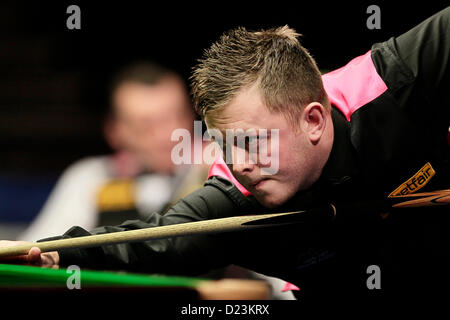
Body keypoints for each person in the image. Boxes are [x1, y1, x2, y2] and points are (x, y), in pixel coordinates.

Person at [2, 7, 449, 302]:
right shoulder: (234, 199)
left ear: (313, 120)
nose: (239, 163)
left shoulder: (397, 79)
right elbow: (151, 242)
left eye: (253, 142)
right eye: (223, 143)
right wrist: (53, 256)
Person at [19, 62, 209, 240]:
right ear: (114, 131)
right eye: (146, 125)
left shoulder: (222, 167)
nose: (167, 135)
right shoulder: (91, 178)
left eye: (176, 117)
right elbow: (38, 249)